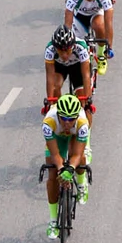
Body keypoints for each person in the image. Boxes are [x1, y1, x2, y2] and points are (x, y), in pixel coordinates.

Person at [42, 92, 92, 232]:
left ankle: (82, 184)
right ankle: (53, 221)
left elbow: (77, 154)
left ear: (77, 116)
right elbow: (55, 153)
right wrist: (60, 168)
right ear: (58, 115)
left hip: (74, 136)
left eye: (71, 119)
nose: (67, 122)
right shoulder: (48, 123)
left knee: (79, 159)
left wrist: (70, 168)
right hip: (57, 137)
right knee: (52, 175)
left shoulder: (82, 124)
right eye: (63, 118)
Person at [64, 0, 113, 71]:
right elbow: (67, 24)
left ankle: (100, 55)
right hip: (80, 17)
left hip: (96, 14)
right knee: (75, 44)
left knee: (99, 25)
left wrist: (109, 47)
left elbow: (108, 24)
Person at [44, 26, 93, 108]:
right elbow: (50, 77)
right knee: (55, 88)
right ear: (55, 47)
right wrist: (50, 102)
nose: (64, 55)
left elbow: (86, 75)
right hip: (60, 67)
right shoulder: (50, 49)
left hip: (77, 67)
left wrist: (88, 99)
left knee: (83, 102)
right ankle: (60, 109)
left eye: (67, 50)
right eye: (60, 50)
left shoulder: (81, 47)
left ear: (73, 46)